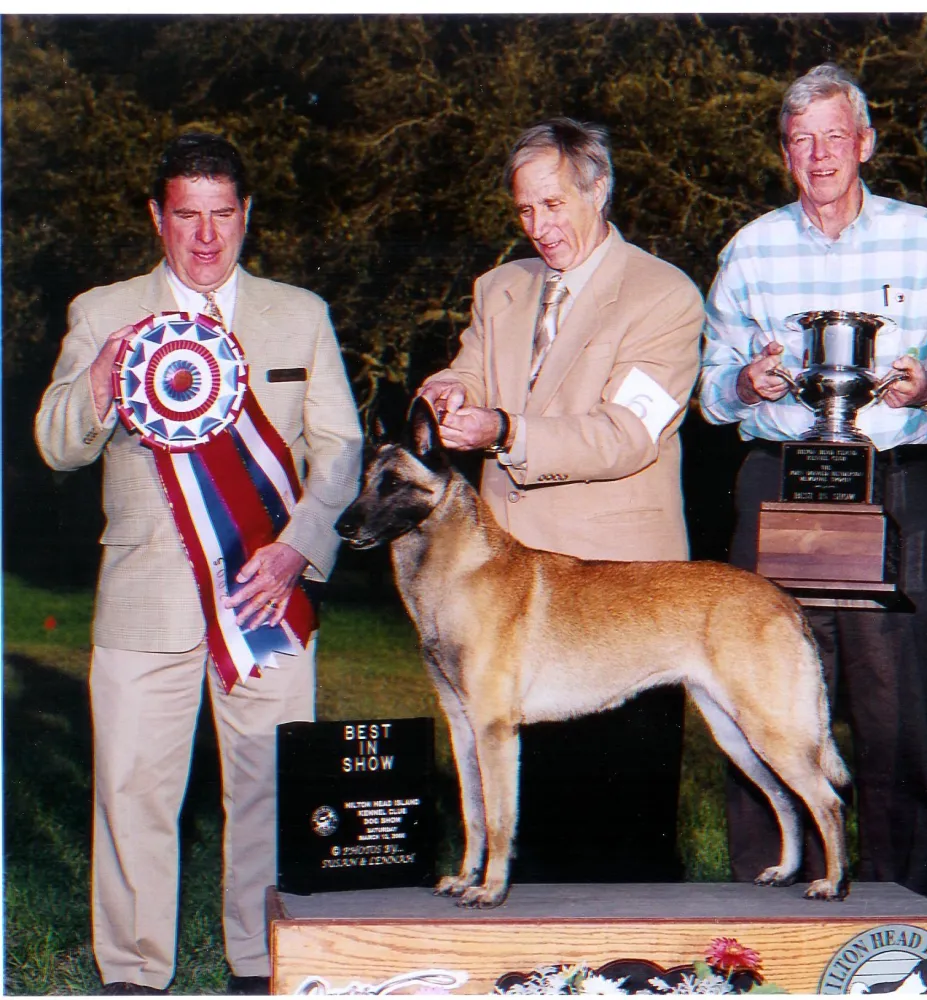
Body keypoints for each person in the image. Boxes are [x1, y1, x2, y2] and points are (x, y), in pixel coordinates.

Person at [34, 133, 363, 996]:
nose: (207, 238)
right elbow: (55, 444)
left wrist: (299, 547)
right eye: (188, 217)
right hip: (145, 597)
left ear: (247, 215)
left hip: (267, 592)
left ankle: (260, 965)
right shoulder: (104, 310)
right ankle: (136, 974)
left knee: (267, 788)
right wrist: (103, 379)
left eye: (224, 216)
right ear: (157, 217)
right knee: (134, 793)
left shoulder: (301, 314)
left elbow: (340, 448)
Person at [699, 64, 927, 900]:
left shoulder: (925, 237)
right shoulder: (750, 248)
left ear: (864, 143)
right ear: (784, 153)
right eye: (801, 141)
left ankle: (901, 914)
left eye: (834, 137)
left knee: (896, 711)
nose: (819, 155)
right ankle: (760, 920)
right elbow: (709, 385)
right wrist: (742, 384)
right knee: (760, 696)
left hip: (894, 484)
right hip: (780, 482)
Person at [418, 118, 703, 881]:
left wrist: (505, 430)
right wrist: (451, 390)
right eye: (524, 212)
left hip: (621, 597)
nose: (539, 228)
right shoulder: (501, 288)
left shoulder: (662, 294)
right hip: (502, 595)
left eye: (552, 206)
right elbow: (470, 373)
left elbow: (625, 434)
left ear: (597, 190)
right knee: (524, 831)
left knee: (617, 841)